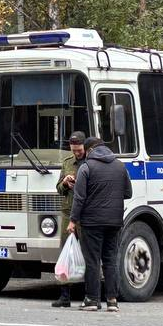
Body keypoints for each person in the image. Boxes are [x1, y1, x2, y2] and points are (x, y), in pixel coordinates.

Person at [68, 136, 132, 312]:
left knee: (93, 261)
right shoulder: (120, 166)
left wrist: (73, 220)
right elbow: (128, 193)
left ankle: (92, 299)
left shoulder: (86, 167)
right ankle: (112, 301)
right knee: (110, 260)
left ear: (89, 150)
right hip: (114, 221)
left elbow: (79, 198)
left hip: (91, 222)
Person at [52, 131, 87, 308]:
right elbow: (58, 188)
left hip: (86, 215)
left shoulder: (91, 163)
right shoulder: (67, 163)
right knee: (65, 255)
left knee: (88, 255)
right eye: (74, 150)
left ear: (85, 147)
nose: (76, 153)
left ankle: (89, 295)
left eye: (79, 150)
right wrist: (65, 183)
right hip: (68, 213)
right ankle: (64, 296)